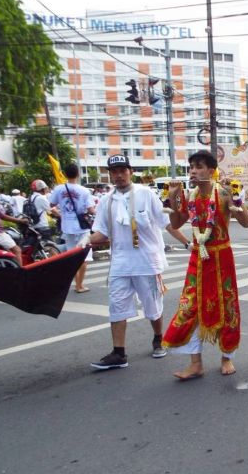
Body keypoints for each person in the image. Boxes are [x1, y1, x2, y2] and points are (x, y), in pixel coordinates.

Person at [162, 151, 248, 379]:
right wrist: (173, 198)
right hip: (198, 260)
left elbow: (247, 222)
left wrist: (236, 198)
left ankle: (227, 357)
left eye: (198, 167)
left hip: (222, 259)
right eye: (191, 166)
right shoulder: (188, 195)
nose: (193, 170)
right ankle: (195, 363)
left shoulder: (222, 192)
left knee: (227, 305)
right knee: (190, 306)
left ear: (211, 170)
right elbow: (175, 223)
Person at [80, 155, 169, 370]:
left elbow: (165, 222)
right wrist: (87, 240)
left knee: (152, 306)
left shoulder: (146, 194)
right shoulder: (105, 201)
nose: (118, 175)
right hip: (120, 263)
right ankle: (119, 353)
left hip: (147, 261)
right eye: (114, 171)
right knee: (117, 305)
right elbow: (101, 232)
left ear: (130, 171)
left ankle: (158, 338)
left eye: (122, 170)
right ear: (110, 174)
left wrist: (186, 241)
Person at [49, 165, 96, 293]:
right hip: (82, 228)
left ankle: (77, 284)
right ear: (78, 174)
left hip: (67, 227)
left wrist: (61, 211)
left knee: (72, 257)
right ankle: (80, 285)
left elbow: (51, 204)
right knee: (84, 257)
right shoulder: (84, 191)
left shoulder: (59, 189)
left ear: (65, 174)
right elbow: (91, 209)